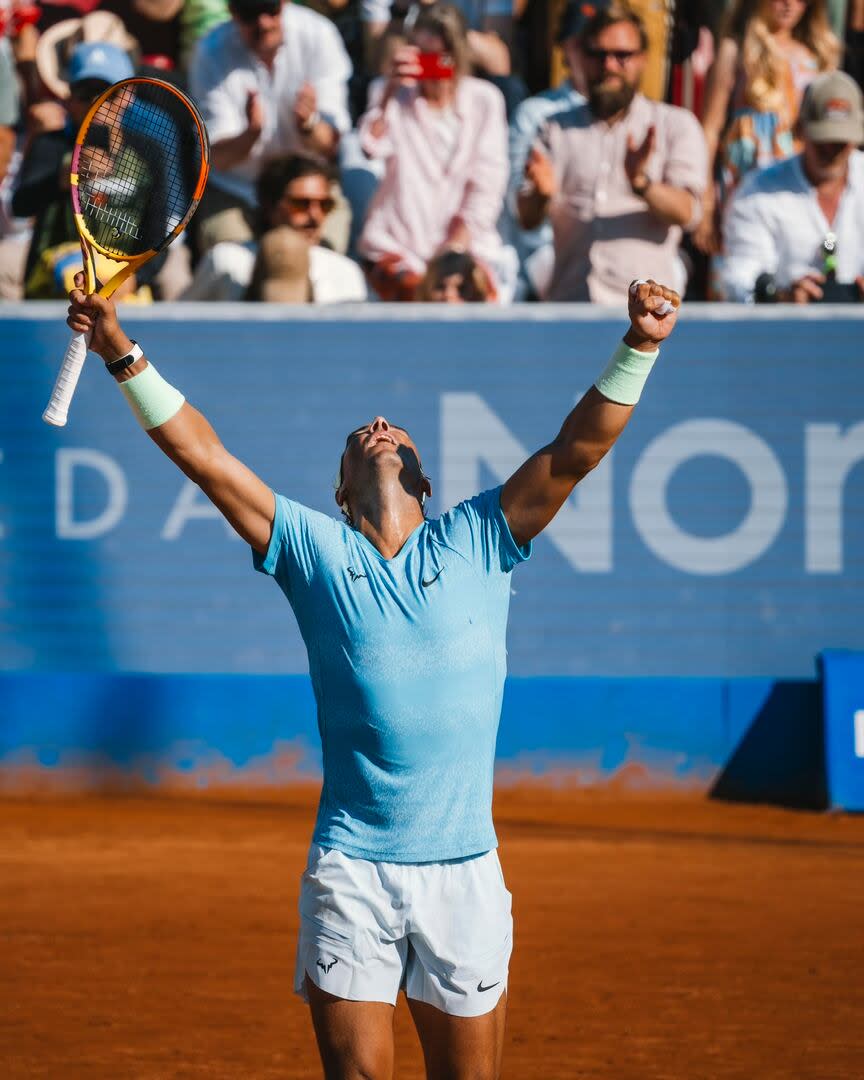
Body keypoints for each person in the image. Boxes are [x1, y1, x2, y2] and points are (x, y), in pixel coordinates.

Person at [64, 266, 681, 1079]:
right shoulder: (315, 551)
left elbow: (578, 450)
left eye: (397, 430)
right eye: (363, 431)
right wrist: (117, 347)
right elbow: (205, 459)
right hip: (351, 866)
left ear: (425, 481)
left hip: (465, 870)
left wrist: (639, 343)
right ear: (340, 487)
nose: (382, 424)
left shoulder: (483, 534)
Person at [517, 1, 707, 304]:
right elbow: (526, 219)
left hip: (644, 315)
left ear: (642, 59)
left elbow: (689, 213)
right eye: (598, 54)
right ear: (582, 56)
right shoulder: (554, 128)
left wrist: (643, 185)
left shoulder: (674, 125)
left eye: (622, 55)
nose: (609, 65)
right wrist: (540, 195)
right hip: (570, 305)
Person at [357, 2, 514, 301]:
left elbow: (488, 184)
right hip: (398, 244)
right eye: (424, 57)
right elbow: (370, 146)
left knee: (468, 298)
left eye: (442, 58)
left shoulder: (485, 99)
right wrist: (390, 90)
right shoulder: (389, 94)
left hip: (466, 247)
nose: (435, 68)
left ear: (459, 55)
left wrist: (453, 249)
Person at [188, 0, 352, 251]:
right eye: (250, 12)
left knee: (327, 262)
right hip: (238, 189)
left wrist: (309, 125)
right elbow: (217, 159)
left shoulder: (319, 35)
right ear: (232, 11)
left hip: (308, 188)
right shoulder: (209, 52)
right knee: (231, 265)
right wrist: (251, 135)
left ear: (285, 3)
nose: (263, 23)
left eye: (270, 9)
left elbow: (330, 145)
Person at [694, 0, 840, 260]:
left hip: (797, 180)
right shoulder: (736, 50)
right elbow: (710, 129)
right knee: (744, 264)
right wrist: (704, 204)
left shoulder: (816, 56)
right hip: (746, 179)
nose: (789, 5)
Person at [11, 41, 143, 299]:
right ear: (69, 99)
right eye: (86, 92)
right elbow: (20, 206)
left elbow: (163, 226)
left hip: (128, 274)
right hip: (56, 272)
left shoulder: (147, 153)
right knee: (76, 277)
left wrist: (135, 277)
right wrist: (62, 179)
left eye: (108, 92)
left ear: (128, 96)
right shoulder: (50, 145)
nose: (97, 102)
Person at [721, 69, 864, 303]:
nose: (831, 151)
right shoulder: (757, 191)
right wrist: (781, 296)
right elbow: (739, 277)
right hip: (784, 335)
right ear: (800, 130)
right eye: (822, 140)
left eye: (840, 142)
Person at [182, 153, 368, 301]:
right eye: (301, 204)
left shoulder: (346, 273)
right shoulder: (224, 261)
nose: (315, 215)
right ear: (270, 206)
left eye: (325, 205)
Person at [504, 0, 587, 299]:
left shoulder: (644, 118)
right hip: (547, 250)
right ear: (565, 47)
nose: (595, 59)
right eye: (581, 44)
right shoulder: (534, 113)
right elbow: (518, 210)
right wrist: (540, 196)